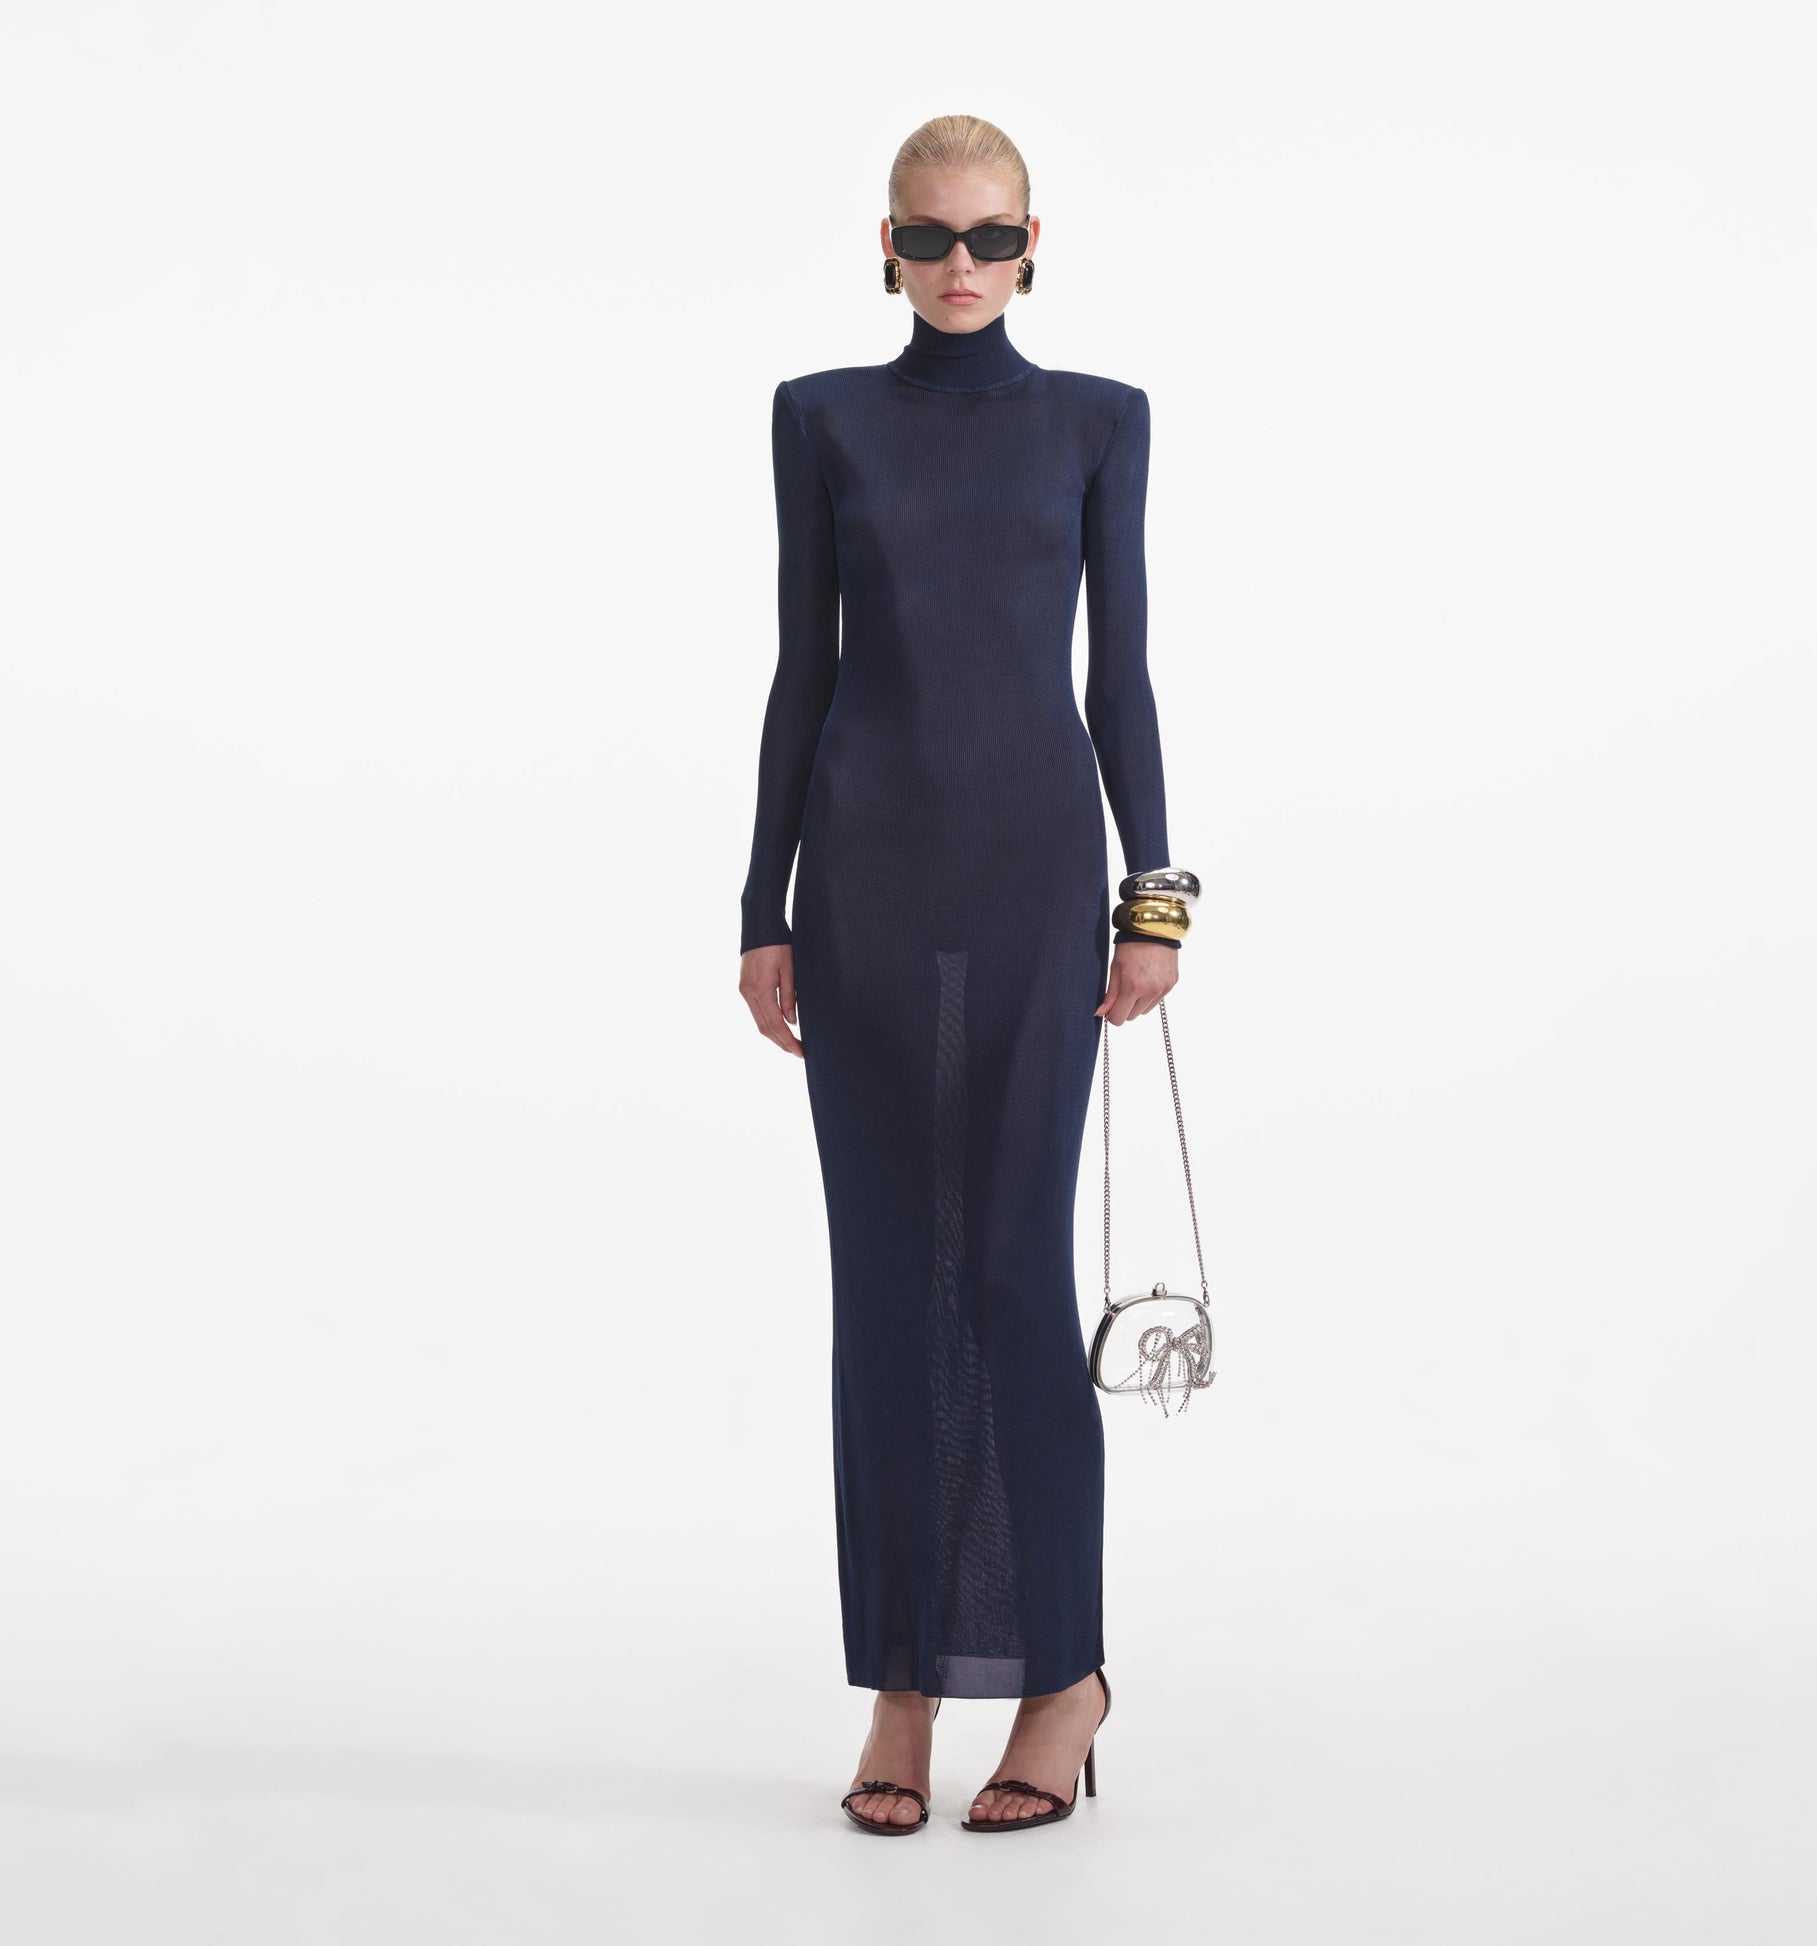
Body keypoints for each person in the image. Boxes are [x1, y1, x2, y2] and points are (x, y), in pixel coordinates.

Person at [735, 114, 1195, 1834]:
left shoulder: (1095, 421)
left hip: (1030, 883)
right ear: (885, 245)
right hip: (860, 883)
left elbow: (1118, 674)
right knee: (885, 1289)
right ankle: (904, 1681)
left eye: (988, 237)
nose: (957, 266)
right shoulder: (820, 417)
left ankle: (1061, 1676)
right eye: (928, 237)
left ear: (1029, 245)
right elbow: (802, 668)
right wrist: (761, 906)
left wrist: (1155, 901)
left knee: (1001, 1276)